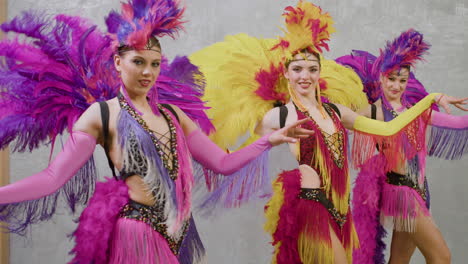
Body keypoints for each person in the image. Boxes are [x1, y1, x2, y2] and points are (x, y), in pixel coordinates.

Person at [0, 1, 311, 263]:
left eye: (155, 63)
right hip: (137, 232)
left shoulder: (173, 115)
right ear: (118, 62)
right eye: (138, 62)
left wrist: (268, 141)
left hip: (176, 233)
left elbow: (222, 163)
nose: (148, 72)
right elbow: (53, 177)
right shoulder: (103, 113)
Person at [191, 2, 467, 263]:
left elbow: (389, 128)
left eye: (311, 69)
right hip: (311, 206)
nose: (304, 76)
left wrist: (428, 100)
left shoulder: (337, 111)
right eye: (297, 69)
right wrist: (234, 152)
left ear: (319, 72)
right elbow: (244, 152)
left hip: (339, 210)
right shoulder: (282, 114)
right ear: (286, 74)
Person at [337, 29, 468, 264]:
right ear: (381, 78)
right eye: (391, 79)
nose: (396, 86)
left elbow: (457, 124)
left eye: (402, 80)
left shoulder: (414, 111)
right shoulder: (374, 111)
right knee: (441, 257)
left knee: (398, 260)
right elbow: (342, 122)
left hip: (421, 191)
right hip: (400, 192)